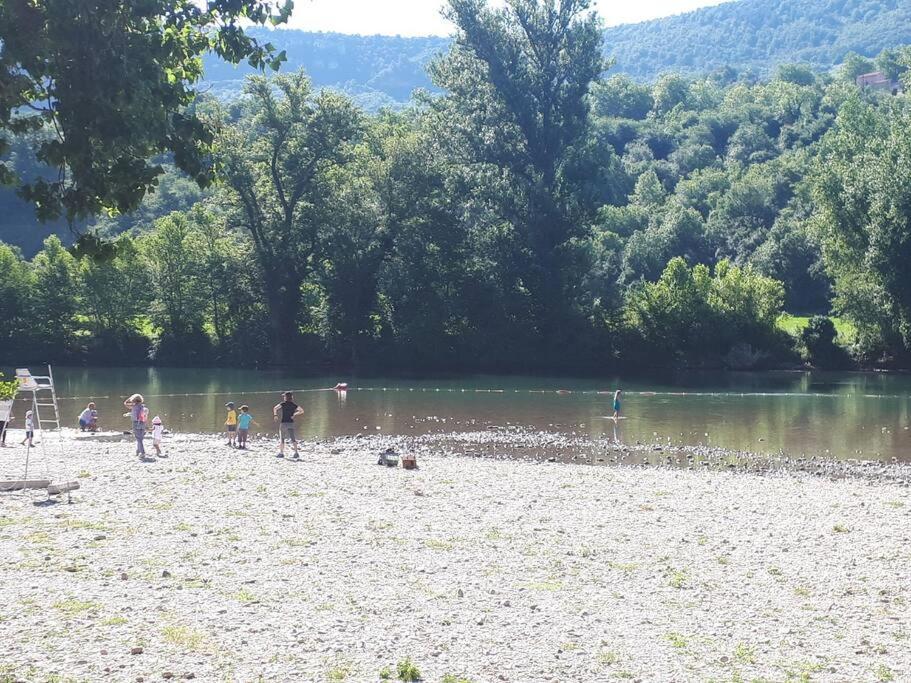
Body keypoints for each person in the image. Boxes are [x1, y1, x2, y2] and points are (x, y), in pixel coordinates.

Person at [273, 391, 304, 460]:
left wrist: (275, 415)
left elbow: (275, 408)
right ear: (291, 398)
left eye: (284, 396)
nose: (284, 397)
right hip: (291, 423)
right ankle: (296, 453)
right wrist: (294, 414)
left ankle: (281, 453)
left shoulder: (283, 404)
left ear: (286, 397)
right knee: (293, 438)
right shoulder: (294, 405)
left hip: (283, 423)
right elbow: (301, 411)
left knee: (282, 439)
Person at [124, 394, 149, 459]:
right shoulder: (142, 407)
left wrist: (130, 397)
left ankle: (142, 453)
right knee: (140, 438)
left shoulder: (133, 406)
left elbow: (125, 403)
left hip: (136, 423)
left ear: (134, 400)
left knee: (138, 439)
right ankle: (138, 451)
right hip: (143, 423)